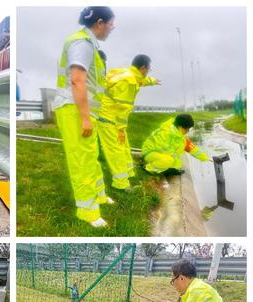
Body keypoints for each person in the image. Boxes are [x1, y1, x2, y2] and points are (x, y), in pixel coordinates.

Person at [53, 6, 115, 228]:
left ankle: (98, 196)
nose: (112, 27)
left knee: (90, 156)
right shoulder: (83, 43)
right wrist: (85, 118)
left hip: (81, 109)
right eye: (111, 23)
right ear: (100, 23)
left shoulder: (89, 45)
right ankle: (88, 212)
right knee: (81, 160)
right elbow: (77, 80)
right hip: (74, 109)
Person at [98, 54, 161, 190]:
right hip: (108, 118)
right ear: (143, 68)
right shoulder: (129, 82)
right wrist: (121, 129)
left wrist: (153, 81)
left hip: (111, 116)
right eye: (149, 70)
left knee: (124, 147)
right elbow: (123, 108)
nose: (148, 72)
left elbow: (142, 81)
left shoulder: (127, 73)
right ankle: (121, 185)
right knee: (116, 151)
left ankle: (128, 174)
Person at [142, 114, 209, 175]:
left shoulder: (179, 136)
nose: (188, 131)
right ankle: (148, 168)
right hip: (150, 153)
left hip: (161, 156)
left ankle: (165, 169)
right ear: (181, 127)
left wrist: (206, 158)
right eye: (187, 129)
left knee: (177, 164)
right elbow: (162, 150)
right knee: (169, 160)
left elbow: (193, 149)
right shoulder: (166, 133)